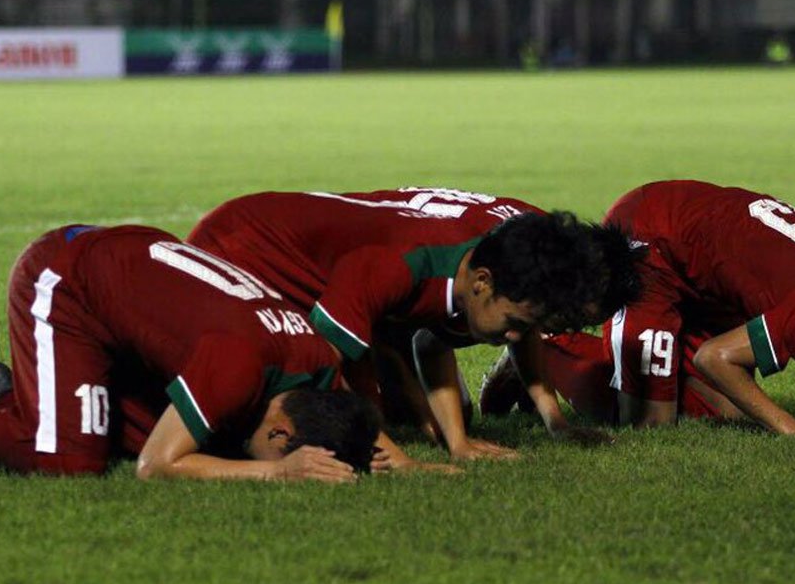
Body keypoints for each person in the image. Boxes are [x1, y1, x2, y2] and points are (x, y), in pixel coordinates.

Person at [187, 187, 641, 462]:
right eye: (516, 323)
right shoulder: (405, 267)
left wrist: (457, 439)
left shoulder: (490, 261)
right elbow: (340, 358)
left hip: (328, 269)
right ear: (481, 284)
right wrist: (387, 447)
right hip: (239, 250)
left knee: (437, 415)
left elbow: (424, 331)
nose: (517, 336)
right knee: (260, 415)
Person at [479, 180, 795, 435]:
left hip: (711, 254)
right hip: (657, 239)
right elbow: (715, 358)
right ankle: (543, 344)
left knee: (724, 410)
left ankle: (579, 359)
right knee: (650, 425)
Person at [0, 225, 380, 480]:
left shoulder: (317, 359)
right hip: (67, 277)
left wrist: (401, 462)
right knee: (69, 461)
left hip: (124, 263)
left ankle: (7, 394)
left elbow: (351, 417)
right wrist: (280, 472)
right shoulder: (237, 366)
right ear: (280, 433)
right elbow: (154, 466)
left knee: (159, 434)